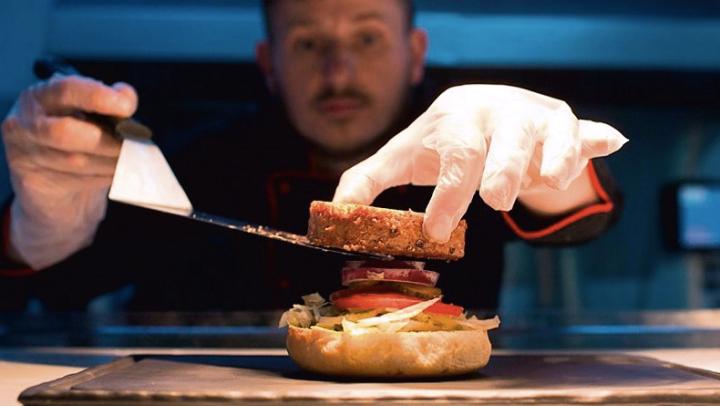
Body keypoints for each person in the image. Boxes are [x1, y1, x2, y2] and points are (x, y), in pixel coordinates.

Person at [0, 0, 626, 311]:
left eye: (367, 38)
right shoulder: (201, 163)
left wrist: (543, 150)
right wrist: (41, 223)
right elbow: (52, 286)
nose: (338, 71)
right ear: (269, 64)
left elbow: (583, 219)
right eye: (306, 44)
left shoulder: (466, 137)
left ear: (414, 54)